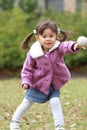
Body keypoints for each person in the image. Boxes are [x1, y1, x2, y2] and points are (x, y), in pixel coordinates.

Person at [10, 20, 86, 130]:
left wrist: (75, 46)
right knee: (27, 102)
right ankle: (14, 122)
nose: (48, 39)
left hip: (54, 83)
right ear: (38, 37)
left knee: (55, 102)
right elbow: (27, 69)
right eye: (44, 36)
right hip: (38, 83)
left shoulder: (58, 48)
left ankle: (59, 126)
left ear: (56, 36)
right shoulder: (33, 53)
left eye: (51, 36)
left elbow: (66, 45)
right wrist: (25, 82)